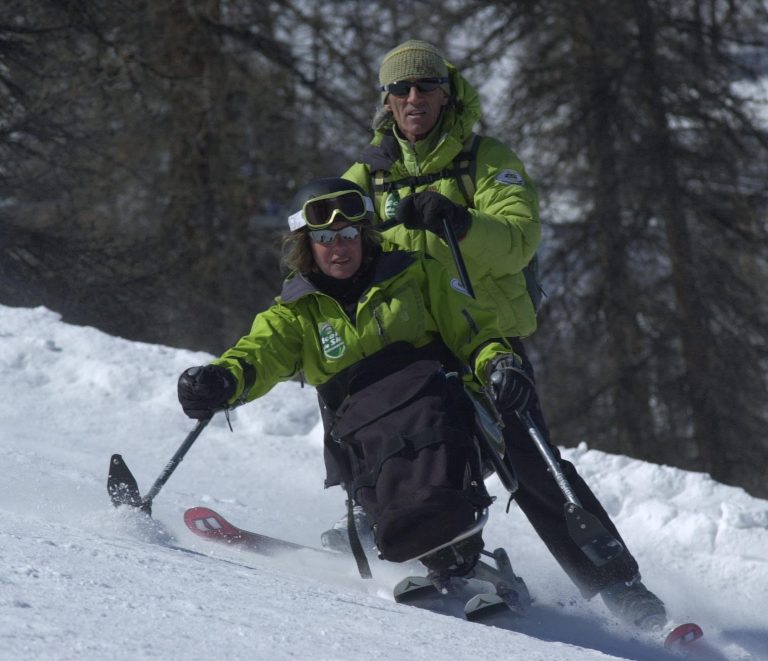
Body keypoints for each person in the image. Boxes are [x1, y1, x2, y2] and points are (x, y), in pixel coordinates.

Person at [337, 40, 668, 630]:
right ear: (385, 101)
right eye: (400, 90)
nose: (413, 99)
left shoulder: (485, 160)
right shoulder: (368, 176)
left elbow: (519, 238)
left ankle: (620, 587)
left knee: (531, 459)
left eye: (424, 87)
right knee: (390, 438)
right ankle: (414, 541)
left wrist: (459, 221)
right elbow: (333, 245)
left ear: (446, 92)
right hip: (405, 348)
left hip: (485, 339)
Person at [176, 177, 534, 586]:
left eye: (348, 234)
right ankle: (400, 531)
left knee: (429, 431)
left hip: (447, 424)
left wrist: (498, 364)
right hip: (363, 443)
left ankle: (451, 553)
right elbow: (259, 353)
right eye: (325, 236)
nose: (338, 246)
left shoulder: (416, 274)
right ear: (307, 245)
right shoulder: (297, 311)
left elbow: (475, 330)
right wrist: (222, 379)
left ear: (363, 235)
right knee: (375, 442)